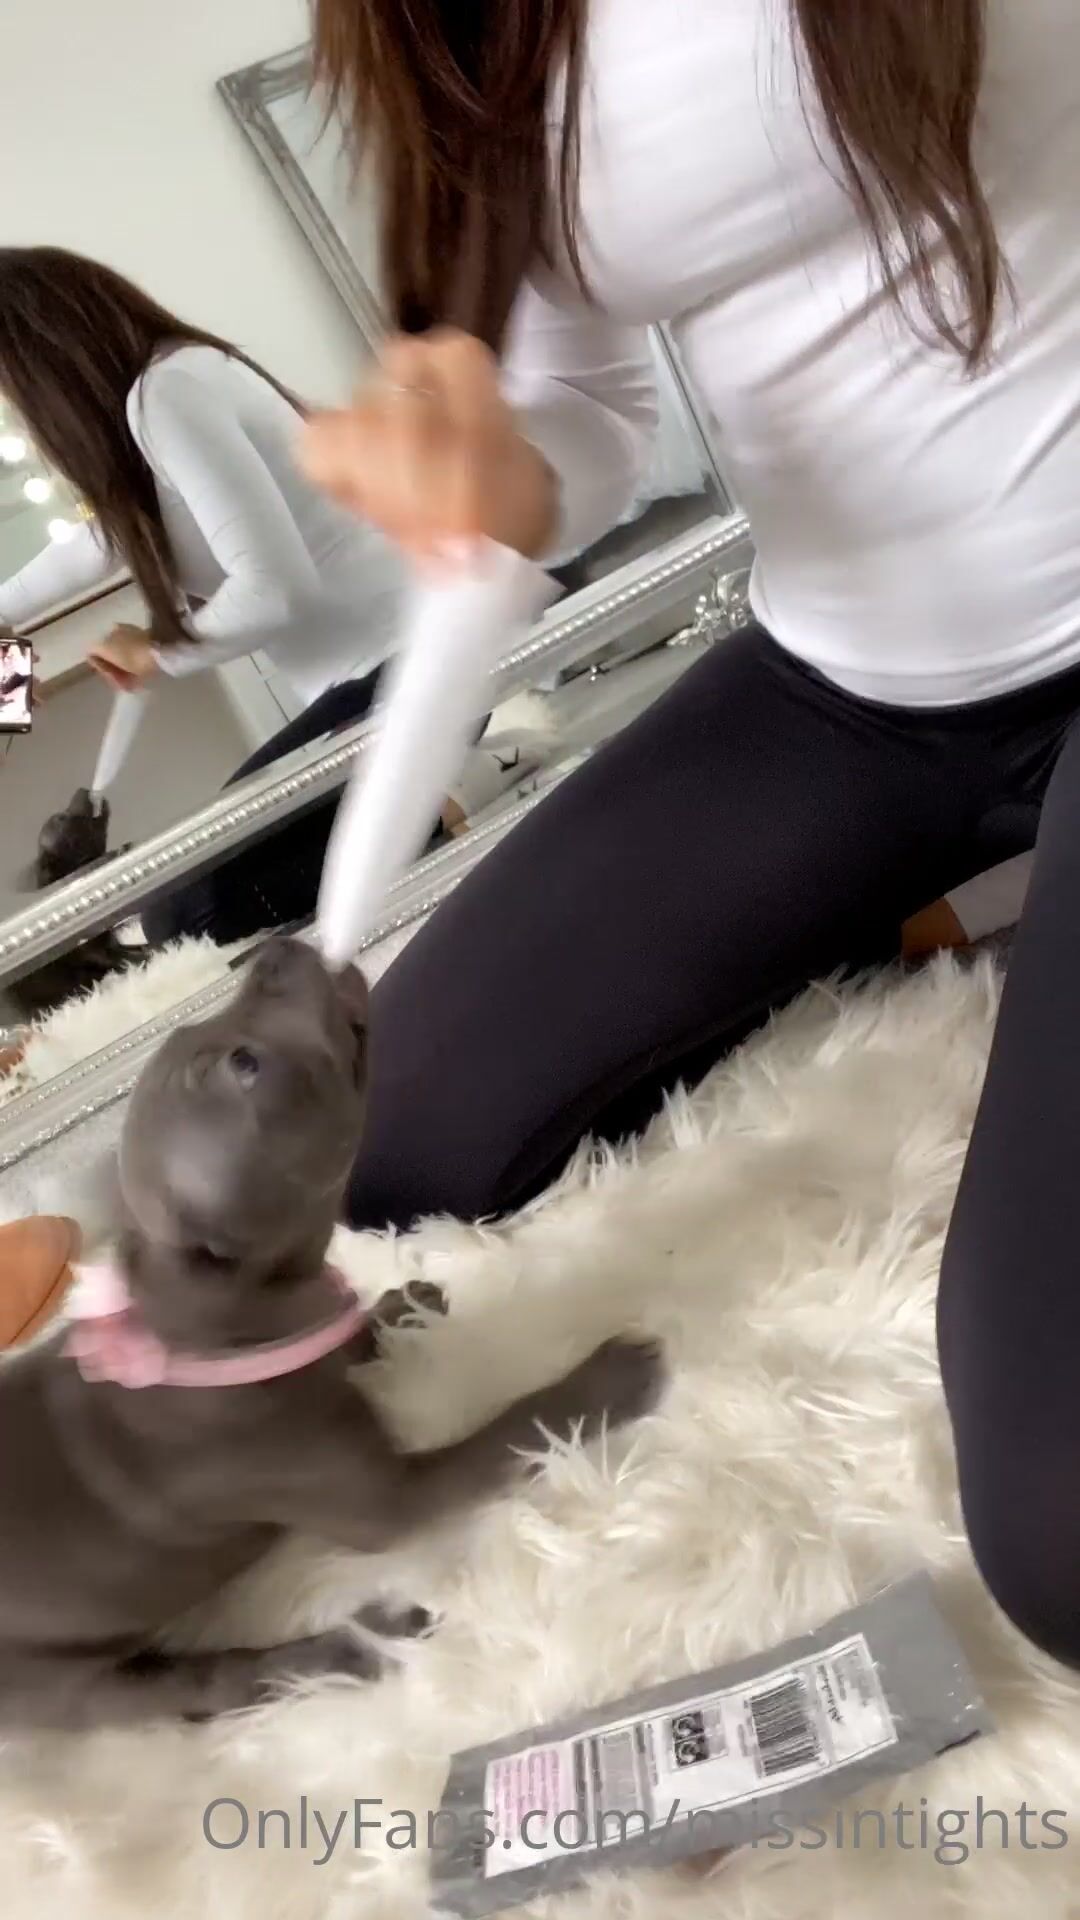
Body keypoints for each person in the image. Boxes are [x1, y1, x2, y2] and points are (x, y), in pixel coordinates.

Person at [291, 0, 1080, 1667]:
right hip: (849, 683)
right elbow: (578, 398)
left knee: (1066, 1522)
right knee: (376, 1146)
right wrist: (499, 468)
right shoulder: (455, 30)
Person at [0, 248, 535, 938]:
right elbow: (94, 544)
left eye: (13, 391)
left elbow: (275, 591)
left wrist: (158, 654)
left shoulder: (168, 394)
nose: (22, 416)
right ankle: (448, 786)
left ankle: (475, 777)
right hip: (378, 684)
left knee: (188, 911)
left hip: (413, 668)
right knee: (183, 903)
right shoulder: (158, 409)